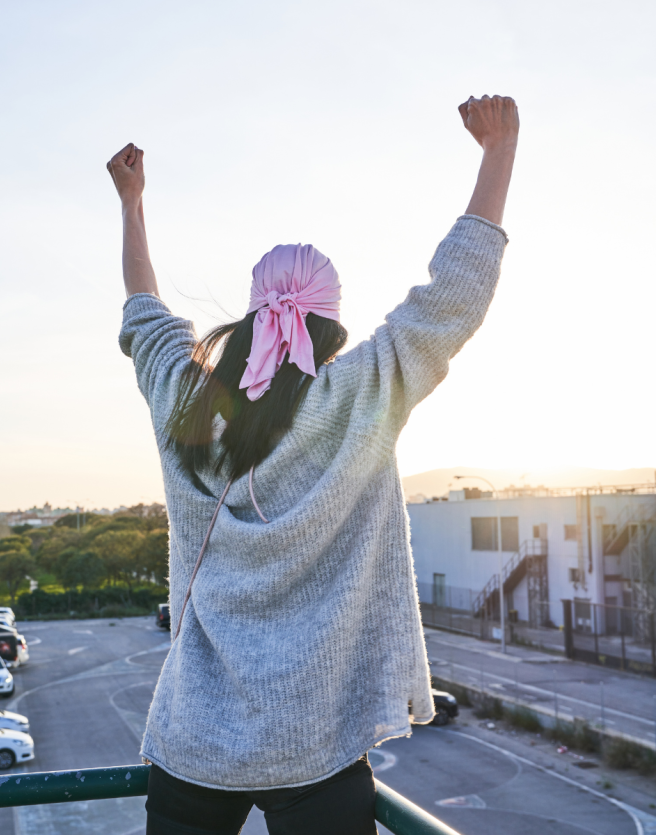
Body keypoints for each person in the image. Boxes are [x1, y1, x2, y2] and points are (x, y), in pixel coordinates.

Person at [108, 94, 519, 835]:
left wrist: (132, 203)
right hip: (318, 749)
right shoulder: (361, 396)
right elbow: (450, 300)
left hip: (192, 745)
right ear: (330, 329)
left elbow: (144, 309)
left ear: (252, 315)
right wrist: (498, 149)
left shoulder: (184, 402)